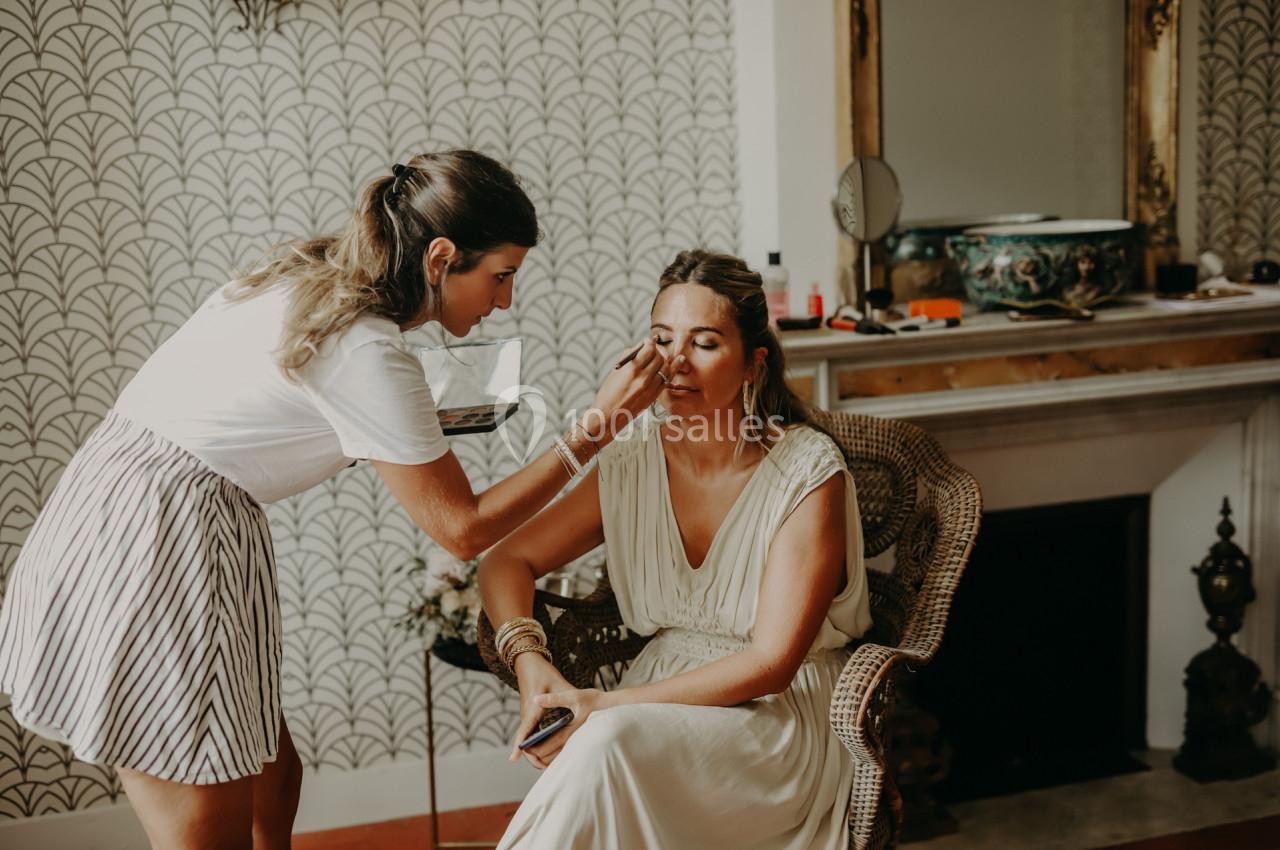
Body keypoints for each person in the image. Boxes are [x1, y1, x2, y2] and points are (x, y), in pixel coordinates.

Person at [0, 149, 667, 850]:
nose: (503, 301)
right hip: (161, 537)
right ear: (441, 258)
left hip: (118, 501)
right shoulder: (367, 351)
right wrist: (598, 429)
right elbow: (462, 530)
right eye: (499, 277)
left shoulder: (307, 278)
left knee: (272, 769)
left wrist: (395, 422)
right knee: (206, 813)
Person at [479, 249, 873, 850]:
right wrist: (533, 666)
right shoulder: (633, 460)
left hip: (775, 724)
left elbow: (772, 663)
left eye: (705, 343)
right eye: (662, 340)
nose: (675, 363)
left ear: (753, 365)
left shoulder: (806, 470)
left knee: (605, 745)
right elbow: (505, 560)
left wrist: (604, 704)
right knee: (605, 748)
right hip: (650, 703)